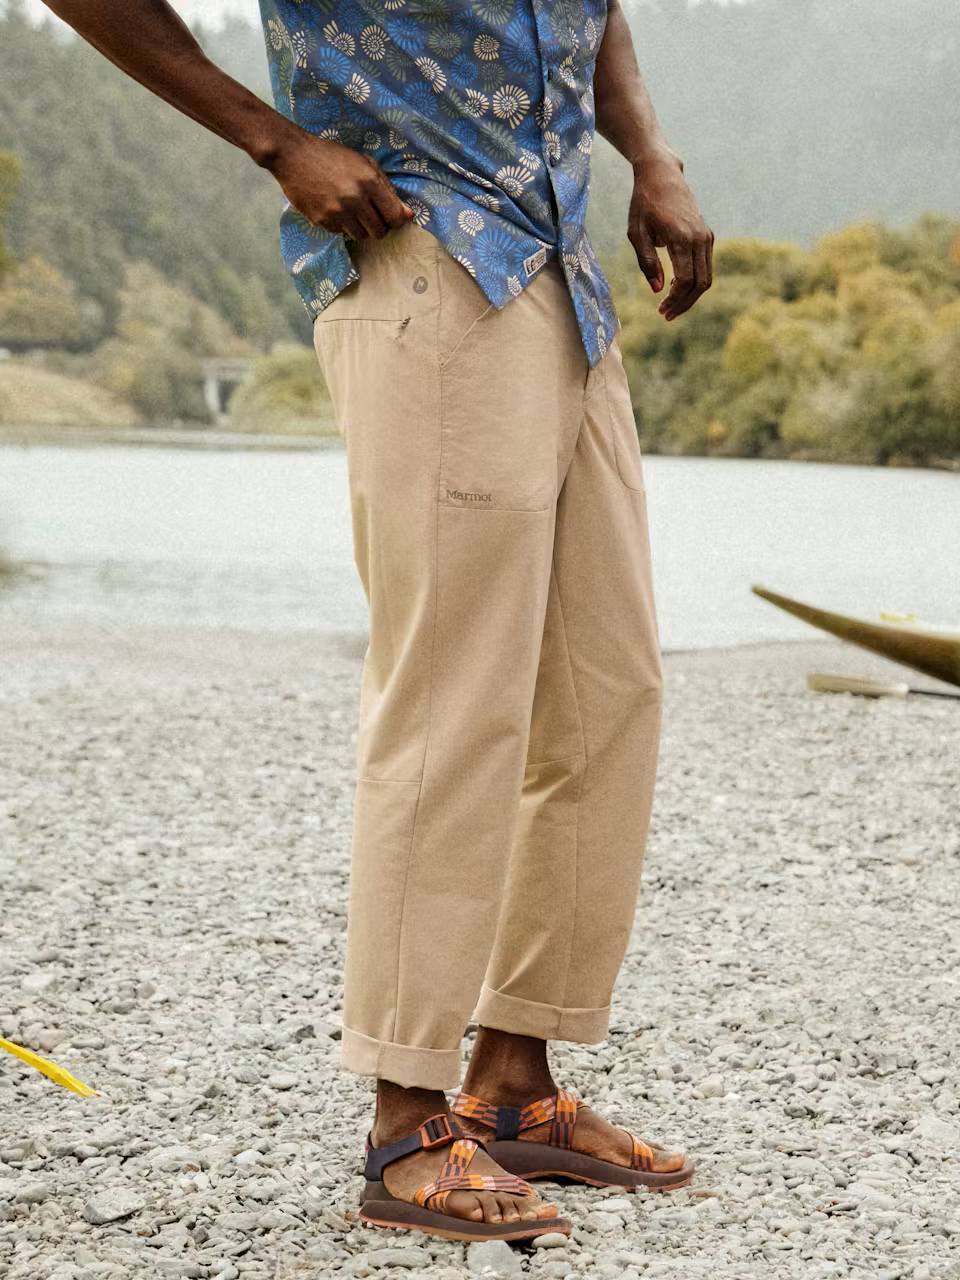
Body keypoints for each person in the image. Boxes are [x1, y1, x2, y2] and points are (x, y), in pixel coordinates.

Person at [45, 0, 713, 1246]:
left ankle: (515, 1078)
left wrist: (654, 157)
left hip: (564, 276)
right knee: (453, 698)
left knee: (611, 691)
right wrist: (276, 141)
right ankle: (406, 1118)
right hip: (424, 264)